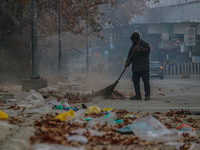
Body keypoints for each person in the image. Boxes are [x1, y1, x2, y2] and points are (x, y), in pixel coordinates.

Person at [125, 32, 151, 101]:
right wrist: (127, 63)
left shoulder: (145, 44)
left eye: (133, 40)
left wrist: (139, 49)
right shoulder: (132, 46)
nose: (132, 42)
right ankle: (138, 95)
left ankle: (147, 96)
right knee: (135, 82)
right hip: (135, 68)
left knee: (146, 82)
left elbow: (147, 51)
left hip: (144, 68)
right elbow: (130, 56)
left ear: (137, 39)